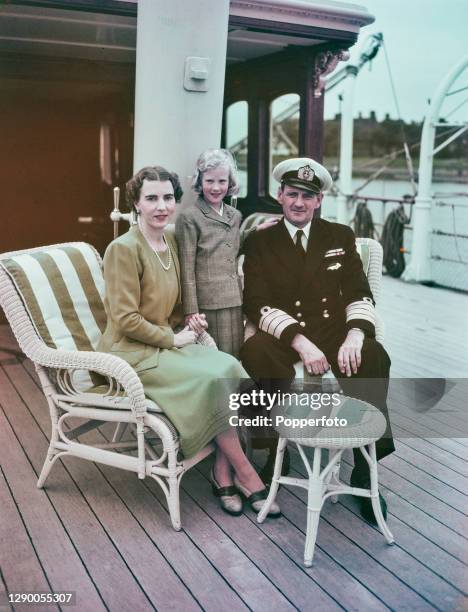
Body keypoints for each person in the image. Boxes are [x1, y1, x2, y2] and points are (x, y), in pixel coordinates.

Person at [97, 166, 279, 518]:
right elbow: (125, 319)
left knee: (228, 365)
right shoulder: (123, 249)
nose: (161, 206)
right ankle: (246, 473)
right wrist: (173, 337)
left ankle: (221, 470)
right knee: (211, 381)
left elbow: (173, 302)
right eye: (151, 198)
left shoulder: (169, 242)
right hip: (129, 354)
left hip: (165, 343)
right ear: (136, 203)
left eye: (167, 197)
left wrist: (187, 319)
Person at [240, 157, 395, 524]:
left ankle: (364, 465)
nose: (299, 202)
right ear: (279, 195)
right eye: (292, 194)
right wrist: (301, 344)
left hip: (334, 331)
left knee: (373, 355)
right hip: (287, 333)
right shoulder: (261, 241)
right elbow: (256, 303)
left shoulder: (339, 236)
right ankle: (273, 446)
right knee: (255, 351)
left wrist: (356, 333)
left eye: (307, 196)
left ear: (319, 200)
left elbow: (360, 291)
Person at [175, 149, 277, 358]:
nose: (215, 187)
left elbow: (231, 247)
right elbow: (186, 268)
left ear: (230, 183)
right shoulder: (189, 217)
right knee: (214, 359)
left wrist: (255, 231)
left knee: (235, 356)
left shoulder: (235, 214)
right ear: (199, 181)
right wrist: (191, 311)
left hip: (234, 298)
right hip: (207, 304)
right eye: (209, 181)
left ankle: (235, 391)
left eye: (222, 181)